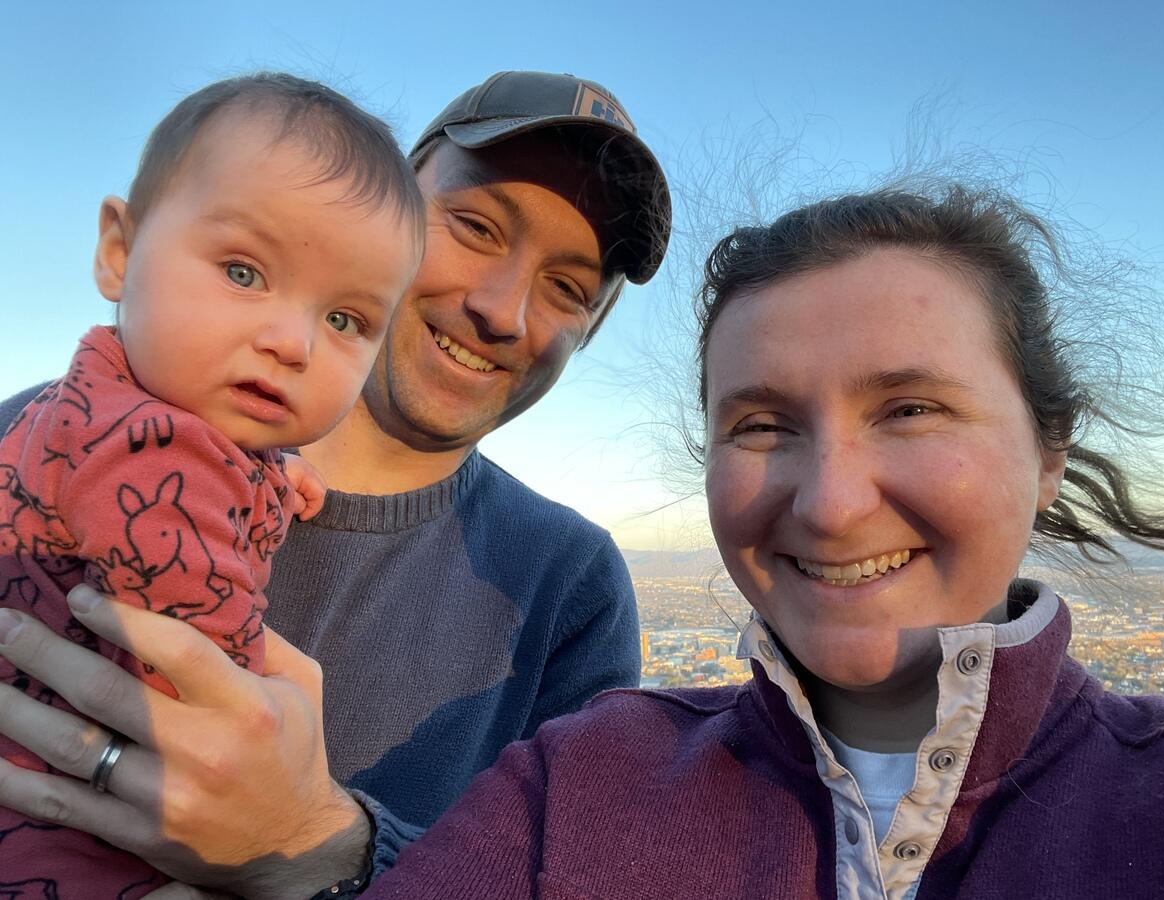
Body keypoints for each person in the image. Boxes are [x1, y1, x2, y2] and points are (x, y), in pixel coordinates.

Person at [360, 186, 1164, 898]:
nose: (832, 505)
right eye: (763, 426)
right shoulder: (571, 786)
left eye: (909, 410)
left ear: (1049, 452)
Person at [0, 70, 671, 899]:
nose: (503, 308)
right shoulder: (48, 431)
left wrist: (327, 850)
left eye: (569, 288)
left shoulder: (570, 588)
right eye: (474, 226)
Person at [0, 72, 423, 897]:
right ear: (120, 252)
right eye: (242, 271)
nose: (292, 341)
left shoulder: (98, 401)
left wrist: (270, 479)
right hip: (60, 827)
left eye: (345, 320)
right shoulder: (149, 450)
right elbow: (205, 665)